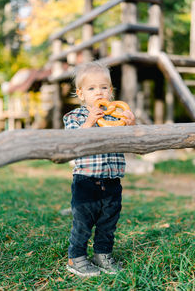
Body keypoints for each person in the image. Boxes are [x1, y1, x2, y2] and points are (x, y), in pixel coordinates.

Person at [63, 61, 135, 277]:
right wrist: (89, 123)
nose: (99, 92)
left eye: (104, 87)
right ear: (81, 93)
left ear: (111, 91)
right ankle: (76, 258)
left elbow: (132, 143)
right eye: (91, 88)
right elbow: (70, 143)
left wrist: (132, 126)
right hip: (86, 180)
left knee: (108, 223)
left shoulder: (117, 117)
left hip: (112, 181)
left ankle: (102, 255)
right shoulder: (75, 117)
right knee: (83, 223)